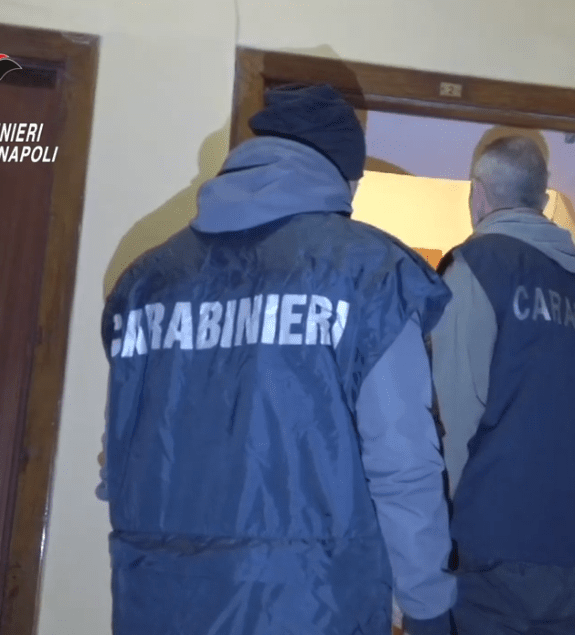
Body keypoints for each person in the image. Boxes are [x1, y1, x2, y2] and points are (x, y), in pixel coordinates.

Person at [97, 83, 456, 635]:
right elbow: (402, 464)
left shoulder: (145, 281)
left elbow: (117, 464)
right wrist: (427, 604)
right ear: (345, 177)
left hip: (161, 601)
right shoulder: (370, 274)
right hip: (313, 604)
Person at [430, 135, 575, 634]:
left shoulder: (475, 269)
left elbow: (453, 418)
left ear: (477, 194)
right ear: (542, 200)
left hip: (489, 558)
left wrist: (438, 547)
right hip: (571, 565)